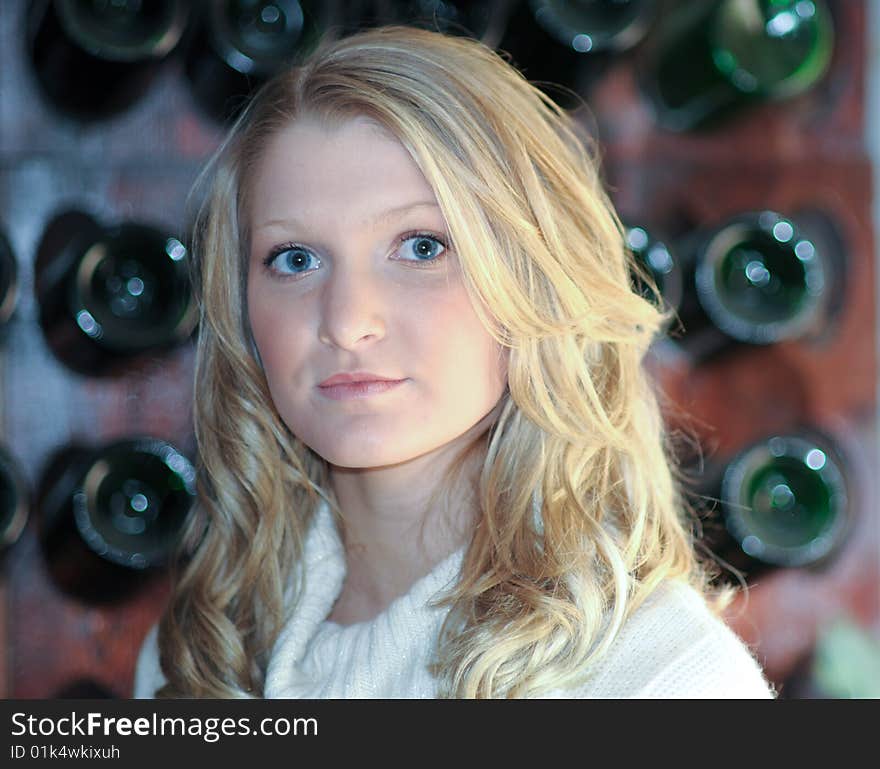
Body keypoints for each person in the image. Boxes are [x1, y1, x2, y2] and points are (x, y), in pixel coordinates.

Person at [134, 24, 775, 699]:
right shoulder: (199, 652)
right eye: (295, 259)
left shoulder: (658, 677)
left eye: (421, 247)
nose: (349, 322)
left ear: (533, 276)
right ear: (241, 307)